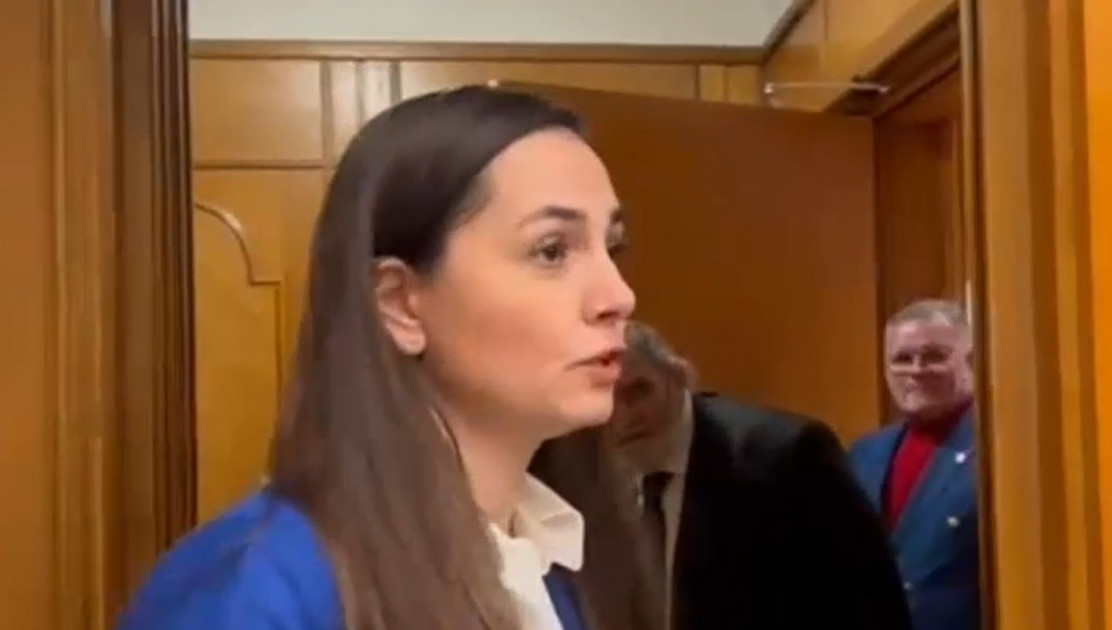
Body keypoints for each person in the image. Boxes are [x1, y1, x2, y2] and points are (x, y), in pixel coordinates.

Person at [116, 86, 662, 630]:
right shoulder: (252, 590)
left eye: (612, 248)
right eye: (552, 251)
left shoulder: (561, 560)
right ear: (399, 304)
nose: (619, 296)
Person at [610, 321, 912, 630]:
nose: (623, 417)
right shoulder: (589, 465)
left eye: (639, 391)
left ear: (679, 376)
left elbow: (871, 599)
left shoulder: (786, 455)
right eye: (607, 396)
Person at [847, 299, 980, 630]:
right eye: (902, 360)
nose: (916, 371)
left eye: (934, 356)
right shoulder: (865, 453)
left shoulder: (996, 451)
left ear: (971, 360)